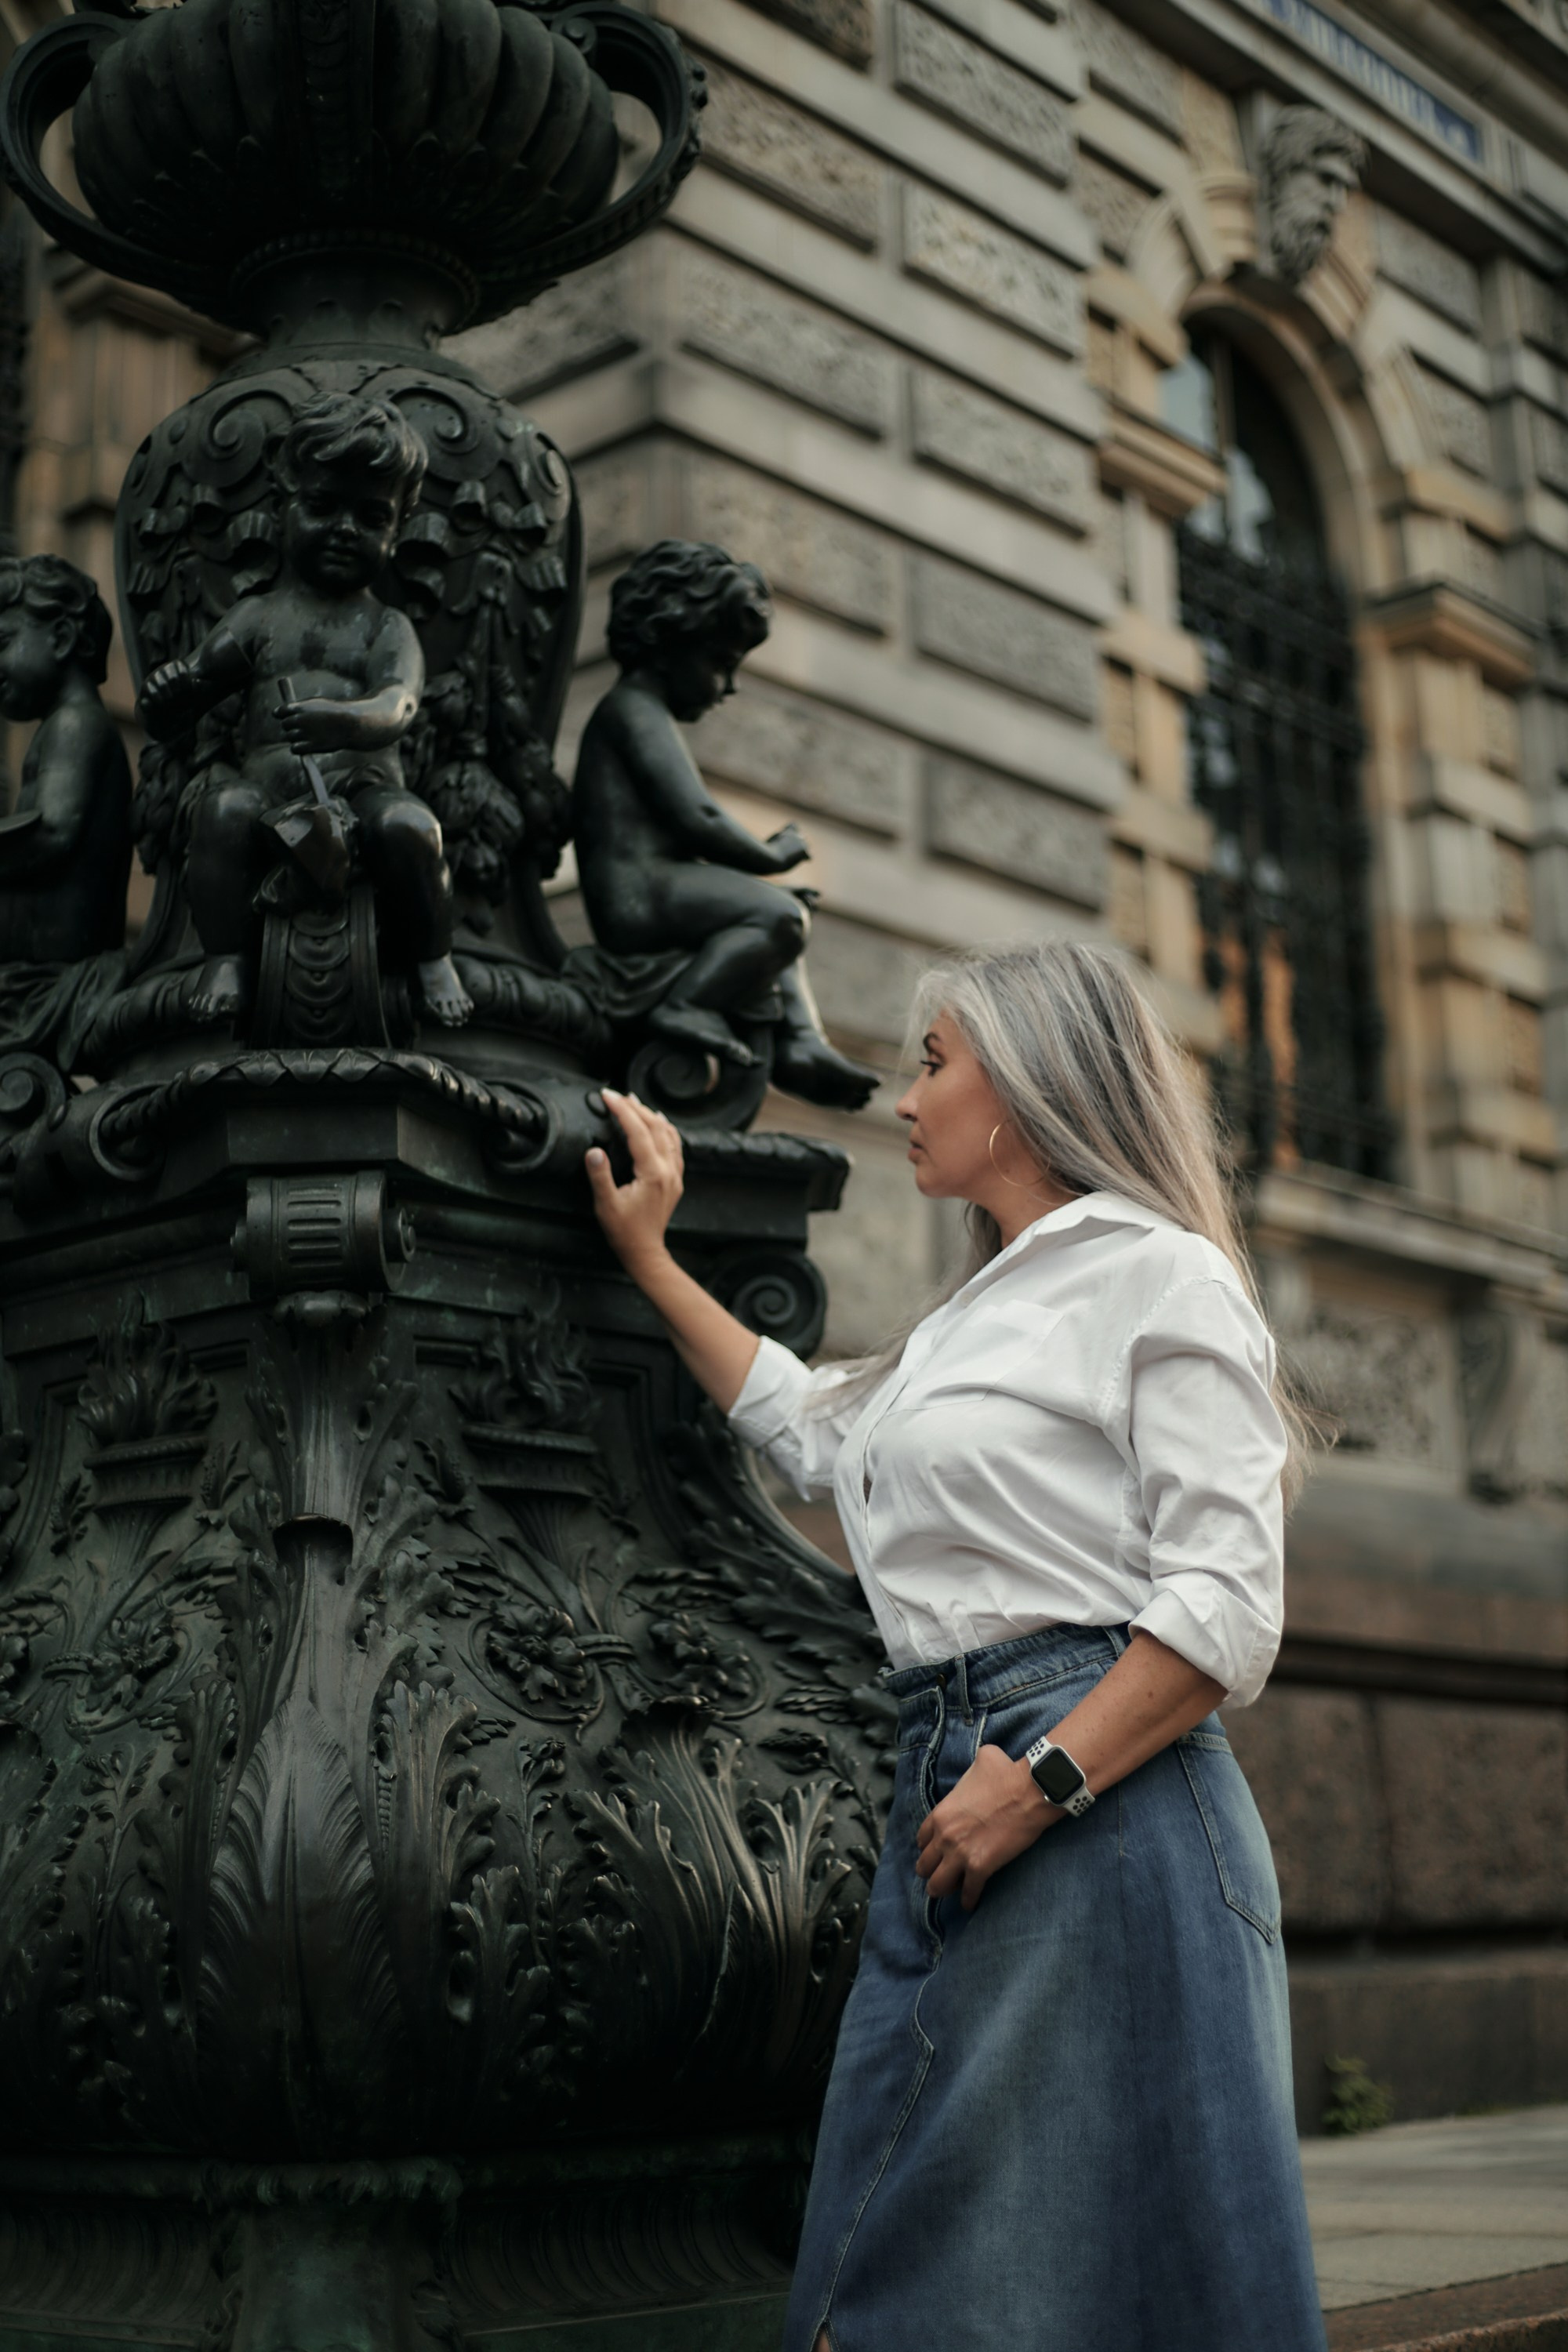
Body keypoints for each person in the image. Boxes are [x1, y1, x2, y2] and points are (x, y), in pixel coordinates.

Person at [586, 939, 1327, 2352]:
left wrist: (1039, 1777)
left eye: (934, 1063)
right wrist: (649, 1256)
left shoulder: (1157, 1273)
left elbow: (1226, 1603)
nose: (904, 1095)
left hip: (1103, 1810)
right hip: (953, 1781)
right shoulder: (968, 1318)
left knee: (1044, 2283)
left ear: (1027, 1086)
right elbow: (809, 1428)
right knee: (911, 2259)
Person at [139, 390, 472, 1030]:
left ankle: (436, 957)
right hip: (266, 787)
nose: (345, 529)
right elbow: (203, 680)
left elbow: (399, 702)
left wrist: (344, 721)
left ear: (396, 530)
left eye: (370, 516)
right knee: (222, 813)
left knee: (412, 830)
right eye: (322, 506)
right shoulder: (259, 615)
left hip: (365, 785)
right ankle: (225, 956)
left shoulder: (386, 624)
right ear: (282, 507)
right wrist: (172, 694)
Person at [572, 539, 876, 1109]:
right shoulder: (634, 712)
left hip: (654, 888)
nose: (728, 687)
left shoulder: (643, 712)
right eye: (721, 663)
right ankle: (685, 1004)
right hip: (635, 900)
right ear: (671, 641)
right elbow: (699, 817)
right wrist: (769, 856)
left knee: (783, 915)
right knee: (778, 914)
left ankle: (801, 1041)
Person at [0, 552, 132, 1065]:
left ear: (59, 639)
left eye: (3, 643)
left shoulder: (77, 725)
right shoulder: (58, 728)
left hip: (50, 986)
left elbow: (52, 832)